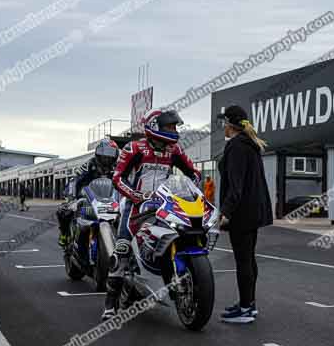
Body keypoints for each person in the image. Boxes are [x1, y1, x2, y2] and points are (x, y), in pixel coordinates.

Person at [102, 109, 201, 320]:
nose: (174, 130)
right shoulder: (134, 148)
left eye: (174, 127)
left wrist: (193, 188)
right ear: (155, 126)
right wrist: (136, 195)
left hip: (165, 204)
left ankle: (171, 277)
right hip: (135, 206)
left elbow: (193, 173)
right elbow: (118, 178)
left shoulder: (175, 150)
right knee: (122, 251)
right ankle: (110, 304)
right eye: (169, 126)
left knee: (180, 234)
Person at [216, 105, 273, 324]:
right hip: (252, 210)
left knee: (243, 261)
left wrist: (226, 212)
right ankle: (248, 304)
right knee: (248, 258)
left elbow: (236, 185)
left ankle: (246, 309)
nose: (222, 126)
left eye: (223, 122)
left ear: (229, 124)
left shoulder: (237, 146)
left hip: (242, 212)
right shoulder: (248, 144)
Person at [56, 139, 119, 247]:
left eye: (110, 154)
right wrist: (71, 198)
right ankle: (64, 234)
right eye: (104, 154)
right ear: (98, 153)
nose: (107, 157)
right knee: (63, 211)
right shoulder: (89, 164)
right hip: (86, 196)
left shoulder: (117, 167)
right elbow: (74, 180)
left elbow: (123, 181)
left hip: (108, 198)